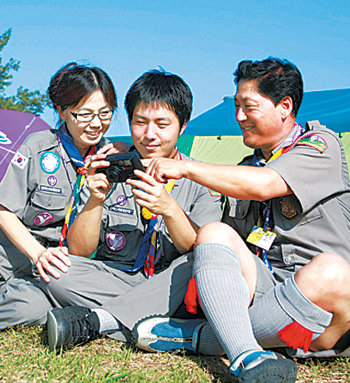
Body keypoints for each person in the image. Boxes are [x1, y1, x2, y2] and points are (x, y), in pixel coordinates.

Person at [132, 58, 350, 383]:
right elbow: (219, 253)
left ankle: (201, 338)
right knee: (214, 232)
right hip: (265, 297)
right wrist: (167, 207)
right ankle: (246, 355)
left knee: (331, 272)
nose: (239, 117)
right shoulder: (245, 167)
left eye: (248, 107)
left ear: (284, 106)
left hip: (321, 311)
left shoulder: (320, 145)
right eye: (236, 106)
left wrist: (186, 167)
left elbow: (265, 186)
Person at [43, 69, 222, 350]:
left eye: (162, 124)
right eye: (140, 123)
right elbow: (78, 251)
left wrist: (170, 210)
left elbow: (195, 247)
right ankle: (161, 326)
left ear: (183, 125)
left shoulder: (199, 180)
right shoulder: (110, 168)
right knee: (58, 271)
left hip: (169, 282)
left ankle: (101, 321)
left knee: (196, 264)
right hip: (118, 279)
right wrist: (95, 201)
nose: (149, 135)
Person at [0, 62, 117, 329]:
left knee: (36, 309)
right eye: (84, 114)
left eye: (105, 113)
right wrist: (38, 254)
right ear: (62, 112)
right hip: (13, 259)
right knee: (30, 309)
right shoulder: (38, 148)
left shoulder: (111, 159)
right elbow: (3, 210)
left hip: (59, 271)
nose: (96, 124)